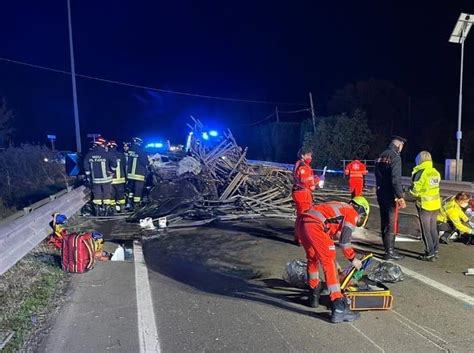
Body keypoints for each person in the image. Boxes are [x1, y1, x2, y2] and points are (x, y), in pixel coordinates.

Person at [297, 196, 370, 323]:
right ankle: (338, 306)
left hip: (303, 223)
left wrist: (337, 264)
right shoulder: (351, 212)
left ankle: (314, 295)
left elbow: (325, 241)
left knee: (313, 259)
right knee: (328, 262)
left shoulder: (338, 208)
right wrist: (353, 259)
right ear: (361, 211)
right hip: (315, 225)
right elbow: (345, 242)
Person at [375, 135, 407, 260]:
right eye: (402, 146)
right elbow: (395, 179)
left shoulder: (381, 155)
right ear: (399, 145)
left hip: (380, 192)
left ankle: (386, 248)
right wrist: (400, 196)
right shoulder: (395, 157)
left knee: (384, 222)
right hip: (390, 195)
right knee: (391, 223)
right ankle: (390, 252)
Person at [409, 151, 441, 261]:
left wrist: (409, 190)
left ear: (419, 159)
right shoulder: (434, 172)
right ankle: (435, 250)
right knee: (433, 229)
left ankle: (429, 253)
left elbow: (415, 191)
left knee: (425, 230)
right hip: (436, 204)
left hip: (425, 205)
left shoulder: (419, 172)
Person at [292, 147, 320, 245]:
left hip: (300, 192)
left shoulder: (301, 165)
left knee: (301, 216)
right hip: (302, 194)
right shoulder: (303, 167)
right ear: (303, 156)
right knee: (304, 217)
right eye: (308, 155)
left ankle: (298, 237)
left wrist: (315, 178)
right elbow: (307, 183)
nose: (310, 157)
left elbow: (305, 179)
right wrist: (317, 181)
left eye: (311, 155)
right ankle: (300, 238)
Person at [83, 137, 117, 216]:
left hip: (95, 179)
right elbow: (114, 164)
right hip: (106, 179)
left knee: (97, 195)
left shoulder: (89, 154)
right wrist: (112, 171)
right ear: (102, 145)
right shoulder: (107, 154)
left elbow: (86, 167)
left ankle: (97, 211)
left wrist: (88, 176)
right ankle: (106, 211)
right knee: (107, 193)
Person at [125, 137, 149, 210]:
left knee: (131, 189)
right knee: (138, 190)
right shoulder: (141, 151)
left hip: (130, 174)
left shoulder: (130, 150)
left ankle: (129, 203)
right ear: (139, 143)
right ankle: (136, 205)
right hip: (139, 174)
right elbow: (145, 162)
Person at [107, 140, 127, 212]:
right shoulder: (121, 155)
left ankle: (113, 209)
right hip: (121, 179)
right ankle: (122, 208)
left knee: (111, 195)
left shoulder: (106, 155)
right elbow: (124, 166)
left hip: (110, 180)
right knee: (121, 194)